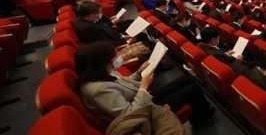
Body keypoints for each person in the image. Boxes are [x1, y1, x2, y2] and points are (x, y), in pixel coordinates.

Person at [76, 41, 211, 124]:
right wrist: (143, 87)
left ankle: (201, 112)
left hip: (141, 100)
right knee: (192, 89)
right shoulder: (97, 90)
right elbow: (129, 114)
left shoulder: (103, 73)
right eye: (113, 58)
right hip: (143, 114)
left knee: (186, 79)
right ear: (102, 63)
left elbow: (124, 84)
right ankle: (202, 118)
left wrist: (138, 72)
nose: (117, 59)